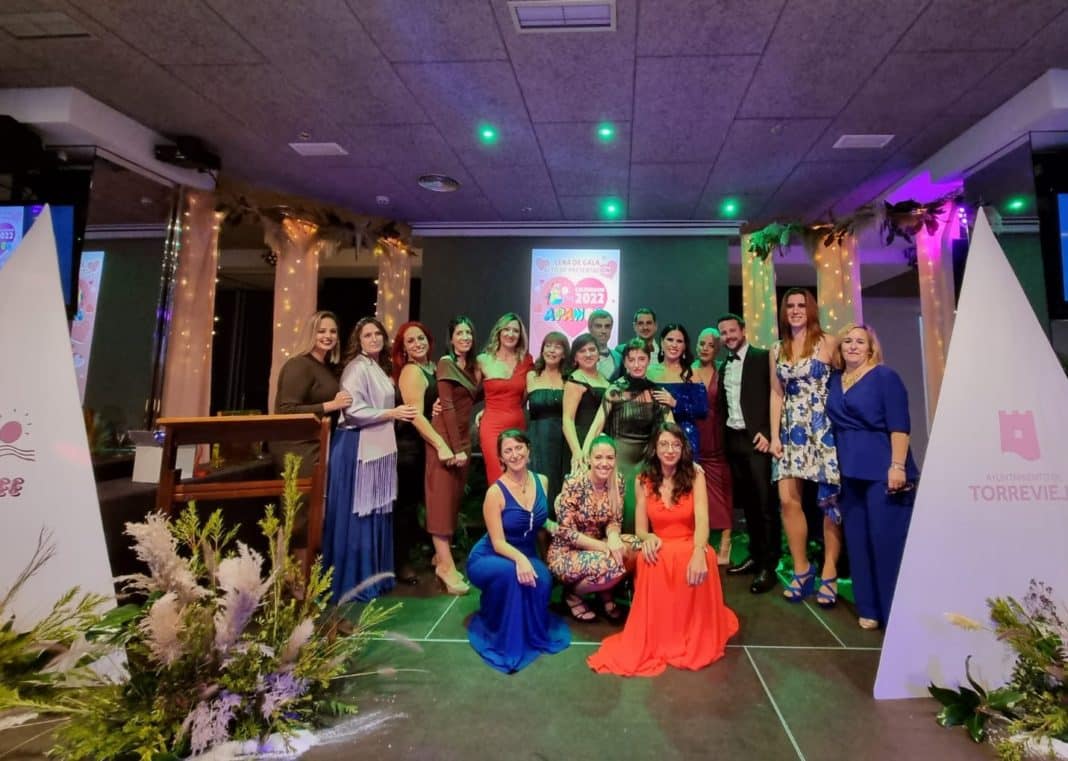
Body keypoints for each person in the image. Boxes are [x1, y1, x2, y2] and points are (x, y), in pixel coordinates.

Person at [587, 423, 738, 676]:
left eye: (675, 445)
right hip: (662, 542)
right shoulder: (643, 480)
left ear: (682, 448)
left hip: (692, 541)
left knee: (703, 557)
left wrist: (700, 550)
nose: (670, 450)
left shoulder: (695, 475)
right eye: (664, 444)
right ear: (655, 448)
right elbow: (641, 529)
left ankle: (693, 630)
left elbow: (702, 520)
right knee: (650, 558)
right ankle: (661, 633)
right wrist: (648, 538)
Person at [827, 324, 918, 630]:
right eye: (847, 341)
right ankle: (868, 608)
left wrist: (897, 465)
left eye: (859, 341)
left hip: (883, 469)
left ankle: (895, 613)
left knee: (886, 542)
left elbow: (900, 425)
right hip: (849, 472)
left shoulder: (885, 377)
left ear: (870, 348)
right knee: (858, 542)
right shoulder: (835, 380)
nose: (852, 346)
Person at [323, 317, 417, 603]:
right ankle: (354, 580)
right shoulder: (355, 368)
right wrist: (392, 413)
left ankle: (373, 576)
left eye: (378, 334)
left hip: (377, 446)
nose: (374, 339)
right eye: (368, 335)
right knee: (359, 514)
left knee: (375, 511)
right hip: (356, 448)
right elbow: (353, 411)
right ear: (359, 340)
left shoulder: (377, 367)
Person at [466, 430, 572, 673]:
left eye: (519, 448)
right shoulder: (495, 493)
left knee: (543, 580)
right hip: (491, 555)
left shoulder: (541, 481)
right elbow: (497, 542)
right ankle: (508, 643)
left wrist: (557, 529)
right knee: (513, 576)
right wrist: (522, 559)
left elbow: (539, 520)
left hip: (524, 553)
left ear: (529, 450)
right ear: (501, 458)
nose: (515, 455)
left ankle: (528, 630)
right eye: (508, 451)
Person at [770, 288, 842, 605]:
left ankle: (829, 571)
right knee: (787, 499)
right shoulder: (778, 348)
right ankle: (802, 569)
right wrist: (774, 436)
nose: (796, 310)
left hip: (822, 426)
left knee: (829, 502)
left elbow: (846, 379)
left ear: (810, 308)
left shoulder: (828, 342)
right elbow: (777, 394)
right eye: (790, 305)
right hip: (790, 430)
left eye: (802, 305)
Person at [270, 311, 352, 547]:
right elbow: (286, 410)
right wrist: (331, 405)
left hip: (316, 447)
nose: (328, 336)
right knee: (297, 515)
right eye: (321, 330)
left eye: (333, 331)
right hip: (297, 450)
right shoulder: (299, 364)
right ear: (311, 334)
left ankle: (307, 577)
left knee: (311, 514)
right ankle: (290, 578)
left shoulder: (324, 366)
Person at [717, 313, 780, 594]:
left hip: (758, 440)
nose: (728, 336)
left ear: (743, 330)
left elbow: (777, 395)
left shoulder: (762, 357)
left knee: (765, 504)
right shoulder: (724, 366)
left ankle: (770, 565)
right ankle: (756, 556)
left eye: (732, 331)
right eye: (724, 333)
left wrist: (768, 431)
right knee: (749, 506)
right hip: (734, 440)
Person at [546, 435, 638, 622]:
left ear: (615, 459)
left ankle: (604, 594)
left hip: (597, 545)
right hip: (566, 552)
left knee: (636, 546)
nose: (604, 463)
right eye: (598, 457)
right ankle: (573, 594)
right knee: (613, 563)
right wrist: (606, 547)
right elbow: (567, 533)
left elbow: (614, 520)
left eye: (609, 458)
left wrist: (613, 537)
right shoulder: (574, 483)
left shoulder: (617, 481)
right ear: (588, 459)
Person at [585, 339, 671, 533]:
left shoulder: (656, 391)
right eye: (631, 360)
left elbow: (671, 429)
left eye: (641, 359)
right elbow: (597, 424)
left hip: (646, 460)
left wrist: (687, 459)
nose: (637, 364)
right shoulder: (615, 390)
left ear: (649, 360)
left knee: (643, 511)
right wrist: (583, 454)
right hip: (619, 459)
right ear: (625, 363)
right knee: (620, 509)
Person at [391, 321, 454, 585]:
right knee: (405, 507)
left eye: (420, 338)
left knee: (422, 504)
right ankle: (400, 563)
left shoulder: (432, 367)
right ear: (403, 349)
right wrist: (441, 443)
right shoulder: (411, 371)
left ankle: (430, 554)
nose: (417, 344)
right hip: (409, 447)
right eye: (410, 341)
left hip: (425, 444)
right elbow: (415, 415)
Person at [425, 316, 480, 595]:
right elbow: (446, 407)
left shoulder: (473, 368)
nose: (465, 337)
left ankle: (440, 557)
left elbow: (480, 398)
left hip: (463, 442)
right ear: (451, 337)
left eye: (469, 332)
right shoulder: (446, 363)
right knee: (440, 502)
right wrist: (455, 447)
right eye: (460, 332)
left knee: (452, 502)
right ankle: (445, 567)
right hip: (446, 441)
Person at [692, 327, 733, 565]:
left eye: (710, 345)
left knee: (723, 491)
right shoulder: (688, 371)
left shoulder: (723, 370)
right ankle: (700, 542)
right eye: (701, 343)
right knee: (696, 493)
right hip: (695, 438)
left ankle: (726, 542)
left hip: (718, 436)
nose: (705, 348)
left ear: (717, 348)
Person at [477, 312, 534, 484]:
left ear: (520, 335)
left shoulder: (526, 360)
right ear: (498, 332)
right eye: (506, 329)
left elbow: (525, 395)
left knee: (518, 476)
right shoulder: (483, 360)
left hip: (517, 425)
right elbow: (469, 393)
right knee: (497, 476)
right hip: (492, 426)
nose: (510, 334)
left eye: (515, 331)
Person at [647, 323, 707, 455]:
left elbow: (702, 411)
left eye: (679, 341)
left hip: (686, 438)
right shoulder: (649, 373)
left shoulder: (693, 374)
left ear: (685, 346)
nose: (674, 345)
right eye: (670, 340)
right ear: (662, 342)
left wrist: (675, 403)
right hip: (655, 436)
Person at [526, 331, 569, 509]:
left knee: (561, 489)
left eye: (557, 346)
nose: (552, 350)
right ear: (542, 349)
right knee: (539, 489)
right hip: (537, 441)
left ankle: (560, 534)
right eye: (548, 345)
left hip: (562, 441)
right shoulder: (531, 376)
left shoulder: (570, 378)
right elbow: (513, 401)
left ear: (564, 353)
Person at [562, 333, 610, 473]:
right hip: (580, 441)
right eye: (582, 351)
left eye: (592, 349)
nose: (588, 354)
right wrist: (577, 452)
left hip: (602, 440)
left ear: (598, 353)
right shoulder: (575, 379)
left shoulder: (606, 381)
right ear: (575, 357)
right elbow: (567, 419)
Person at [588, 309, 621, 380]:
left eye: (607, 326)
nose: (603, 331)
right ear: (590, 328)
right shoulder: (579, 356)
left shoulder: (618, 357)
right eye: (598, 326)